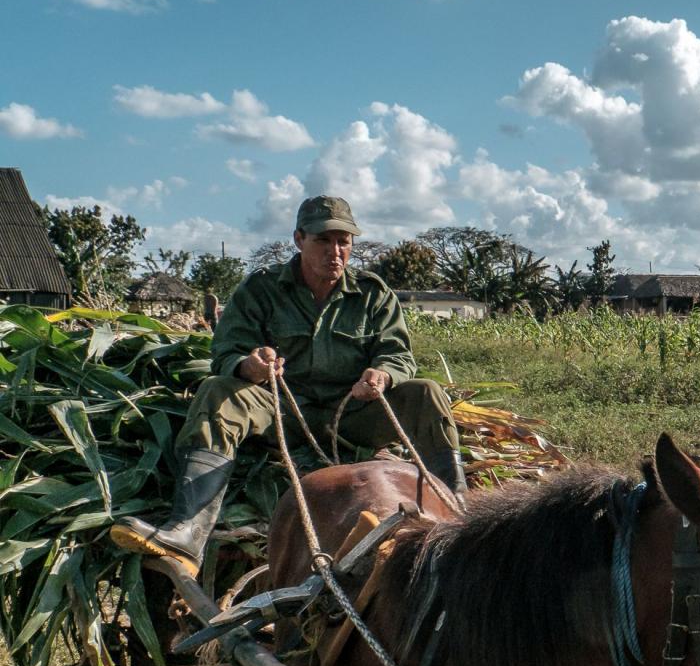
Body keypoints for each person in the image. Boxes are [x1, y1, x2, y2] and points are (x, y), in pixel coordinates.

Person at [111, 195, 466, 576]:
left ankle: (461, 515)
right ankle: (188, 532)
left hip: (352, 414)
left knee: (426, 392)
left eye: (343, 242)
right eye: (323, 241)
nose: (336, 251)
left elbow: (398, 355)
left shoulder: (373, 293)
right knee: (217, 390)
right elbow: (226, 352)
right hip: (280, 412)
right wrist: (249, 365)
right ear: (299, 239)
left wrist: (382, 374)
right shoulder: (260, 290)